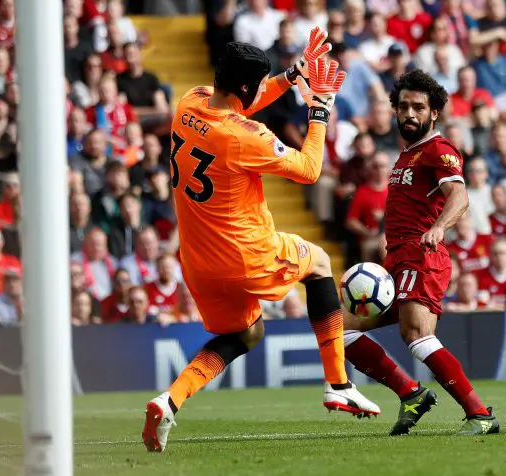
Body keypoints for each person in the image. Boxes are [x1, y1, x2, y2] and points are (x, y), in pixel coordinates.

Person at [141, 29, 378, 453]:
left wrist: (291, 76)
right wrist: (320, 111)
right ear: (246, 87)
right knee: (321, 262)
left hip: (198, 260)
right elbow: (308, 169)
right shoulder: (246, 137)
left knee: (248, 333)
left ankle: (169, 400)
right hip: (247, 253)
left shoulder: (189, 100)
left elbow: (244, 102)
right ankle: (338, 384)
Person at [342, 69, 500, 437]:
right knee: (342, 330)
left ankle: (480, 414)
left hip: (423, 257)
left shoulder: (439, 151)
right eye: (403, 107)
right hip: (397, 258)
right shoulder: (406, 155)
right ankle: (410, 393)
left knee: (416, 334)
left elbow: (458, 195)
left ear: (434, 114)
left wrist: (439, 227)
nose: (409, 114)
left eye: (418, 108)